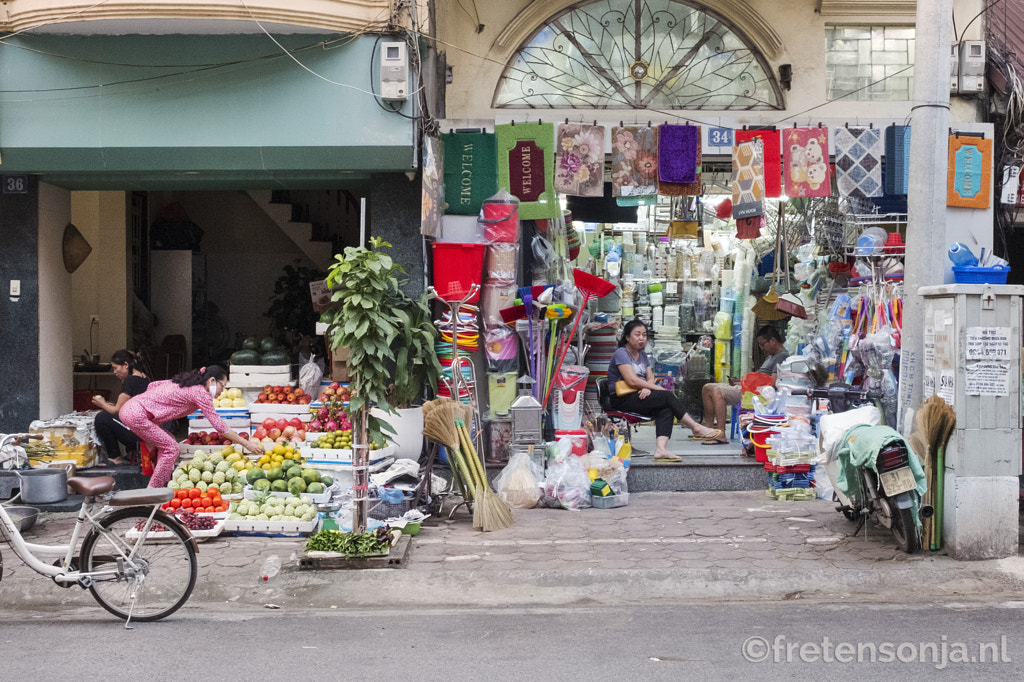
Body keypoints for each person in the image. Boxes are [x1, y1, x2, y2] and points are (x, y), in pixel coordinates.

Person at [119, 365, 262, 488]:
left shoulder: (185, 383)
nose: (222, 391)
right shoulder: (201, 392)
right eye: (222, 386)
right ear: (212, 380)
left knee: (166, 442)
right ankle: (153, 492)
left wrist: (155, 409)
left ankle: (162, 483)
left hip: (133, 409)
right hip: (137, 414)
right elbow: (219, 425)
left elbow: (153, 385)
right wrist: (246, 444)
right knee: (171, 448)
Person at [607, 319, 721, 461]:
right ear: (627, 337)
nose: (641, 338)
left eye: (644, 334)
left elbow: (650, 377)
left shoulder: (642, 354)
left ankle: (661, 450)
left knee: (666, 409)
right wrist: (655, 389)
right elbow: (632, 380)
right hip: (621, 399)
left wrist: (648, 388)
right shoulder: (621, 353)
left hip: (639, 395)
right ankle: (695, 427)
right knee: (666, 396)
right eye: (637, 334)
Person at [700, 325, 789, 444]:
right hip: (750, 387)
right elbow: (760, 378)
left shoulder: (781, 357)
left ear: (772, 340)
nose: (761, 348)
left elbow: (770, 383)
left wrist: (746, 384)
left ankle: (720, 433)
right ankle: (709, 430)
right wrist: (741, 382)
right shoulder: (771, 356)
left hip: (756, 393)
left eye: (762, 344)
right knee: (707, 388)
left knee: (717, 390)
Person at [91, 349, 150, 466]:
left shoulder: (130, 380)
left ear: (126, 365)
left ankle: (114, 457)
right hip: (146, 428)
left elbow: (117, 410)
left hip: (138, 432)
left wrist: (102, 403)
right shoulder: (145, 378)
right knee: (112, 416)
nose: (114, 372)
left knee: (102, 418)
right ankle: (130, 452)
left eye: (115, 368)